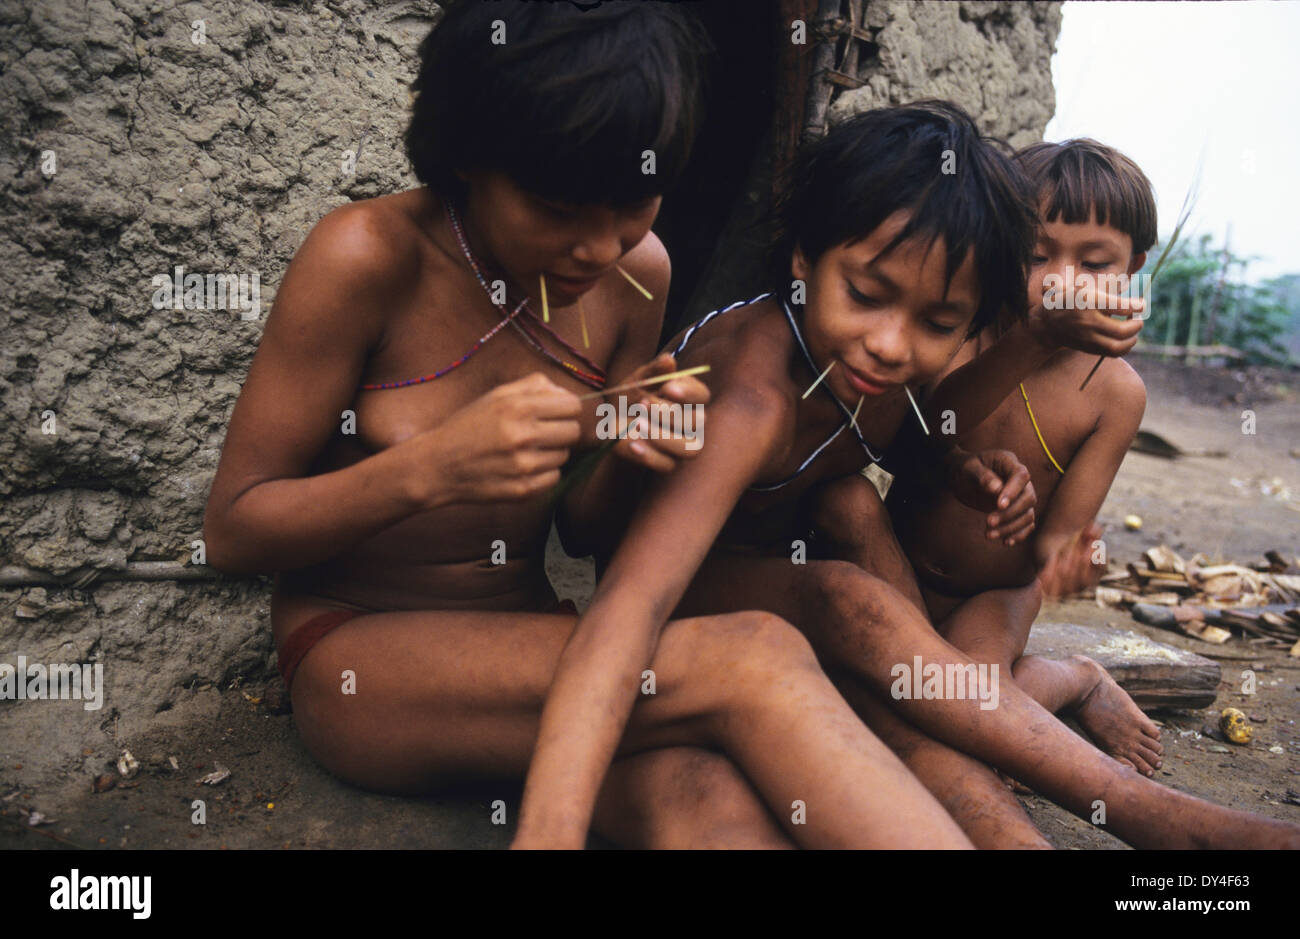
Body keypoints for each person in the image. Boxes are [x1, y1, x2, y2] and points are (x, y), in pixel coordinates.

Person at [203, 1, 969, 850]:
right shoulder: (366, 256)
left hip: (533, 639)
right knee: (756, 657)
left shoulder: (637, 276)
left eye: (633, 205)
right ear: (468, 158)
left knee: (710, 804)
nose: (598, 248)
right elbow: (233, 532)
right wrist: (427, 471)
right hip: (357, 652)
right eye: (559, 209)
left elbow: (581, 525)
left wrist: (623, 447)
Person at [569, 102, 1300, 849]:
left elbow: (908, 442)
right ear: (804, 258)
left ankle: (1046, 830)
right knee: (865, 615)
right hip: (695, 589)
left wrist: (960, 469)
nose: (892, 344)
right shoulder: (761, 389)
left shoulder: (910, 364)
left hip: (808, 588)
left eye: (939, 322)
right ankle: (1141, 812)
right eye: (866, 292)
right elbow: (605, 552)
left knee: (905, 692)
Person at [879, 138, 1164, 776]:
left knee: (962, 711)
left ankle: (1077, 679)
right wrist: (1031, 340)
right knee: (881, 691)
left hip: (996, 595)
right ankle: (1055, 684)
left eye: (1093, 263)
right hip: (894, 562)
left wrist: (1070, 559)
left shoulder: (1115, 395)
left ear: (1134, 266)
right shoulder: (964, 330)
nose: (1061, 282)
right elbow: (925, 435)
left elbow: (1053, 545)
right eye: (1038, 255)